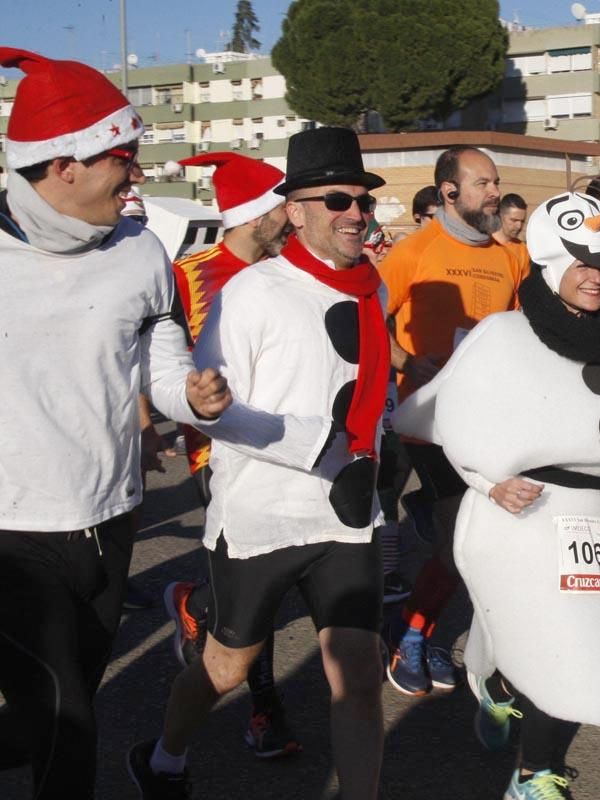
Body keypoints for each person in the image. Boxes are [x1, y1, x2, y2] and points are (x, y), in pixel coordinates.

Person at [396, 190, 600, 800]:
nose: (596, 278)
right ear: (552, 264)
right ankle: (534, 774)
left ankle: (501, 687)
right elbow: (455, 409)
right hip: (525, 512)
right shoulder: (505, 335)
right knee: (552, 635)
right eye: (582, 264)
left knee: (584, 640)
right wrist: (488, 478)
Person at [127, 127, 390, 800]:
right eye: (337, 199)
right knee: (225, 665)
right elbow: (209, 410)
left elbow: (373, 395)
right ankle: (164, 756)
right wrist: (313, 441)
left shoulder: (373, 287)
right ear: (294, 210)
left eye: (362, 199)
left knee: (358, 677)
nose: (356, 212)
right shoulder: (253, 293)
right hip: (261, 519)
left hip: (346, 517)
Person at [0, 47, 231, 799]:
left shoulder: (141, 252)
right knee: (66, 719)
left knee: (63, 705)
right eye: (122, 160)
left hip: (111, 518)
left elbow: (160, 365)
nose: (136, 176)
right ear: (62, 165)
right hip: (11, 532)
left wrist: (190, 398)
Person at [157, 152, 303, 759]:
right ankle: (264, 710)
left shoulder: (288, 269)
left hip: (278, 442)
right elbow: (155, 357)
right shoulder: (187, 274)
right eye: (280, 206)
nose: (290, 217)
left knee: (259, 578)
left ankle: (195, 602)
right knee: (258, 583)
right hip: (211, 453)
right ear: (253, 213)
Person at [378, 146, 528, 696]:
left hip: (489, 417)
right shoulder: (413, 251)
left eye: (495, 181)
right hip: (430, 419)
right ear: (449, 192)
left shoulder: (511, 257)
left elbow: (517, 331)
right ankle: (412, 636)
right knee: (455, 540)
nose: (494, 193)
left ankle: (425, 629)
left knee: (480, 540)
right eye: (483, 184)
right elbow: (369, 318)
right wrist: (407, 363)